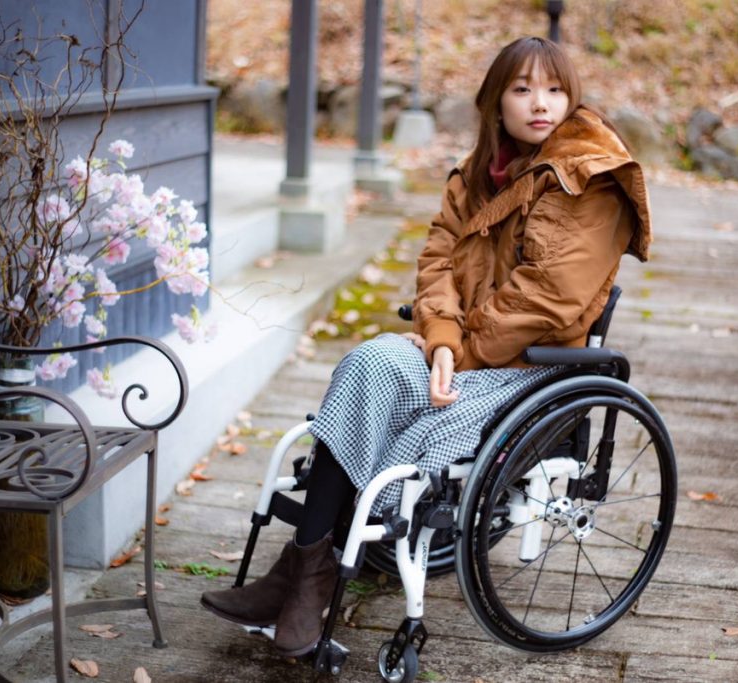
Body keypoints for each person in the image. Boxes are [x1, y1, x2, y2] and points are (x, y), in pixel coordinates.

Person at [201, 35, 652, 658]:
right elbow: (438, 261)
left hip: (532, 371)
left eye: (554, 89)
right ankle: (300, 577)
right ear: (496, 103)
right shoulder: (476, 176)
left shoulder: (590, 181)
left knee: (411, 448)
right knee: (370, 366)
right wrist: (441, 340)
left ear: (572, 98)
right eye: (522, 89)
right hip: (462, 349)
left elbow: (548, 297)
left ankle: (307, 585)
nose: (539, 103)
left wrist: (456, 352)